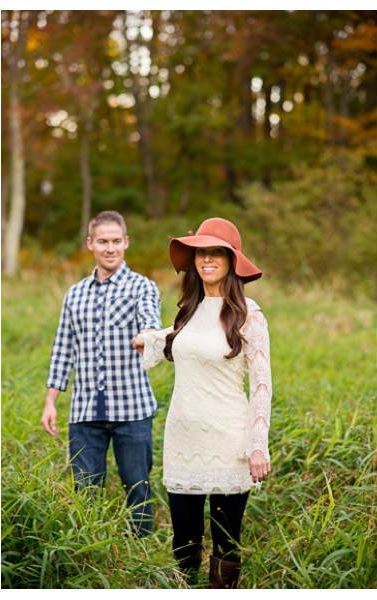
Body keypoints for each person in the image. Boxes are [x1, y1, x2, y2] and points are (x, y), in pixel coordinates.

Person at [134, 217, 272, 588]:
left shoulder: (248, 314)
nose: (206, 259)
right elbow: (179, 342)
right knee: (184, 540)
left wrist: (258, 445)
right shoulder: (190, 311)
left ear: (231, 261)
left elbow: (262, 385)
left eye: (216, 253)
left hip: (228, 442)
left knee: (226, 541)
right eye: (200, 252)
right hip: (182, 439)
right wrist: (148, 339)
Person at [43, 210, 162, 537]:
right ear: (90, 244)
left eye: (116, 241)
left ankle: (140, 558)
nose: (110, 248)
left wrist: (147, 335)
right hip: (84, 412)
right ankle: (89, 556)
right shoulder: (74, 294)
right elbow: (63, 348)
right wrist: (51, 401)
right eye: (102, 242)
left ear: (126, 242)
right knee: (83, 491)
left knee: (137, 489)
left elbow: (150, 318)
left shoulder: (142, 286)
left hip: (132, 410)